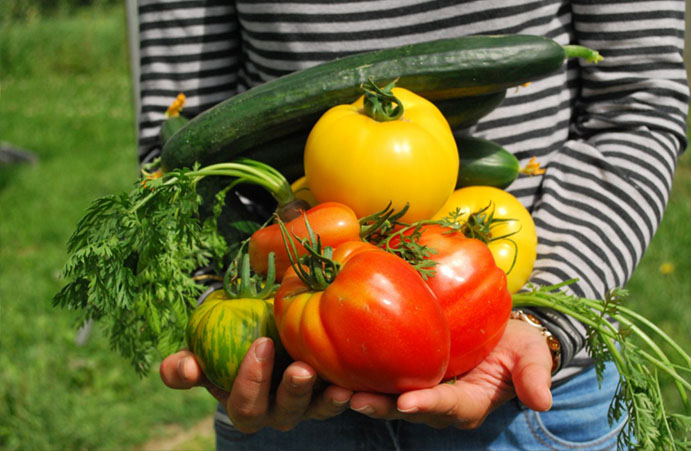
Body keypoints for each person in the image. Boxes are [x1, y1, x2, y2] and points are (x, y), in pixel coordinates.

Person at [134, 1, 688, 449]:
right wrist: (227, 308)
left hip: (530, 390)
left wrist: (540, 319)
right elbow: (179, 152)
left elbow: (638, 104)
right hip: (288, 369)